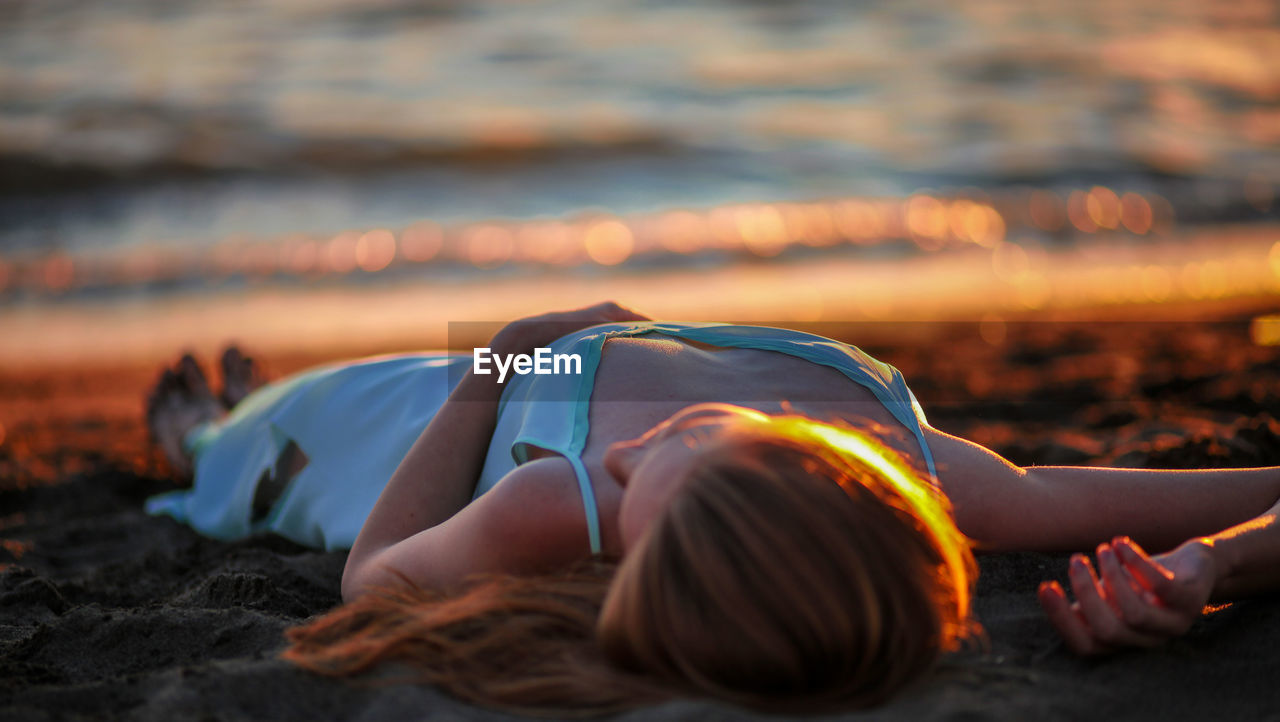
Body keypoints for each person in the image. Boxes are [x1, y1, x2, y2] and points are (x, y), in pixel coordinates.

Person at [144, 301, 1280, 715]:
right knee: (314, 397)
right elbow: (1078, 493)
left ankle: (202, 425)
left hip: (424, 429)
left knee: (259, 459)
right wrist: (1215, 559)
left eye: (619, 485)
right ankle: (243, 405)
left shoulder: (564, 495)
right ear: (796, 456)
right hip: (527, 368)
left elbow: (370, 571)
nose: (626, 459)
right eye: (650, 464)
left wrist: (494, 364)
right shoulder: (906, 459)